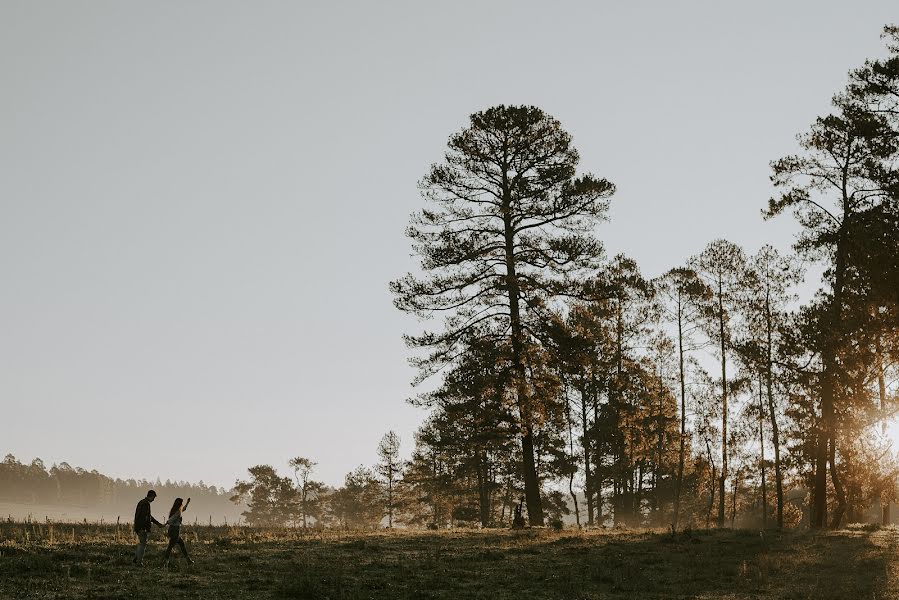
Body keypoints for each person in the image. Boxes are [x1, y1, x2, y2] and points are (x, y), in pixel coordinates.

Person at [133, 490, 165, 565]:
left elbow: (148, 516)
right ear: (151, 496)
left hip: (138, 527)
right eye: (153, 497)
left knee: (141, 543)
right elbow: (147, 517)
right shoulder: (146, 504)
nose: (153, 500)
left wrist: (157, 523)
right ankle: (139, 562)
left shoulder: (141, 502)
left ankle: (136, 559)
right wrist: (146, 528)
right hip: (142, 528)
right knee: (143, 544)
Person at [164, 497, 194, 567]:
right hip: (175, 530)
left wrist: (187, 503)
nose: (182, 505)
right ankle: (165, 561)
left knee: (181, 545)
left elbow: (184, 509)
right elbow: (171, 519)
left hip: (173, 530)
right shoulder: (177, 512)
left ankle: (188, 560)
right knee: (171, 546)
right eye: (181, 503)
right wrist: (165, 523)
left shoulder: (176, 510)